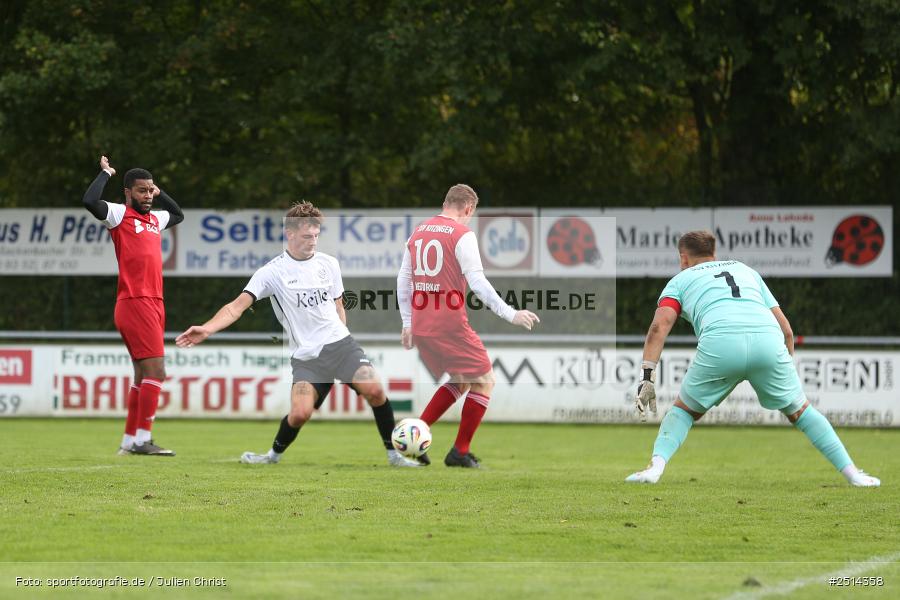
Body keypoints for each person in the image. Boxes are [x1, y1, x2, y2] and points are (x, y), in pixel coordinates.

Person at [625, 230, 880, 487]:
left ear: (683, 258)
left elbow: (659, 327)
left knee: (683, 411)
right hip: (768, 342)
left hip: (721, 344)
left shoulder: (680, 280)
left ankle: (654, 469)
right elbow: (787, 331)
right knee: (801, 410)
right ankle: (853, 475)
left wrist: (647, 376)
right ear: (714, 253)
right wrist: (783, 366)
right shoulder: (746, 271)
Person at [175, 201, 420, 467]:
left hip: (341, 346)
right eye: (306, 236)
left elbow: (338, 305)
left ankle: (394, 455)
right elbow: (236, 307)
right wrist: (207, 328)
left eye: (316, 235)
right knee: (300, 413)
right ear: (289, 234)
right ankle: (272, 456)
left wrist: (343, 337)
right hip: (307, 358)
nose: (313, 241)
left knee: (374, 389)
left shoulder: (329, 264)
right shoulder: (271, 272)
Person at [397, 184, 539, 468]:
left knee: (462, 379)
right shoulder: (463, 235)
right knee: (485, 381)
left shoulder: (419, 232)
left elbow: (403, 279)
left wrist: (408, 322)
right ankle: (459, 452)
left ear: (445, 202)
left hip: (424, 325)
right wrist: (511, 314)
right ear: (468, 208)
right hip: (449, 325)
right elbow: (478, 284)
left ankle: (412, 438)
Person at [82, 155, 184, 456]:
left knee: (142, 375)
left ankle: (129, 442)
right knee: (157, 372)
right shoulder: (119, 215)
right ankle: (143, 439)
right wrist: (107, 174)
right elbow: (89, 201)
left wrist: (159, 189)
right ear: (127, 192)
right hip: (136, 301)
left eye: (150, 191)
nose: (148, 196)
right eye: (142, 190)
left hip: (153, 302)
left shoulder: (155, 220)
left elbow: (177, 214)